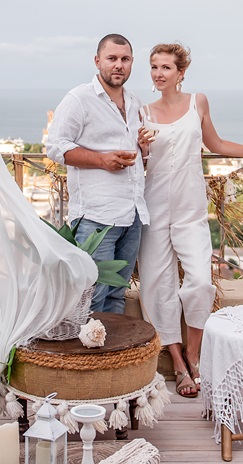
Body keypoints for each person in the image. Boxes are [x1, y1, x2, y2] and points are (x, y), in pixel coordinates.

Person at [138, 43, 243, 398]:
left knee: (199, 282)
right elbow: (138, 161)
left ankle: (195, 353)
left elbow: (217, 144)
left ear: (181, 73)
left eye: (165, 67)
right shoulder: (141, 111)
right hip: (154, 208)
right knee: (156, 288)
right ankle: (179, 365)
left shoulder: (198, 102)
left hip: (191, 209)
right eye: (154, 67)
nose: (158, 73)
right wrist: (141, 147)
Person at [45, 34, 156, 314]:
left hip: (132, 216)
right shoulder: (79, 99)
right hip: (96, 219)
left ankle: (109, 358)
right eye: (112, 58)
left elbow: (137, 160)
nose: (118, 65)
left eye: (125, 59)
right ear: (98, 61)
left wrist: (143, 150)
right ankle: (86, 357)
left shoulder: (134, 102)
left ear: (132, 63)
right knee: (91, 297)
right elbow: (55, 147)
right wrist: (102, 160)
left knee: (117, 296)